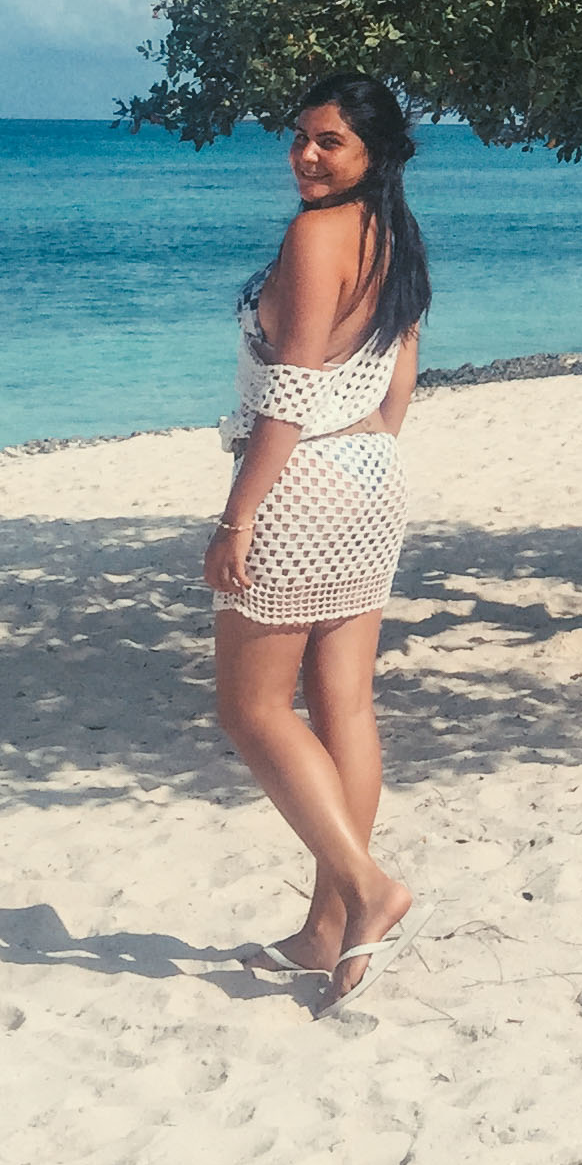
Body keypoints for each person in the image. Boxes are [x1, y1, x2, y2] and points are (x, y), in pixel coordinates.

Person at [205, 72, 432, 1013]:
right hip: (372, 475)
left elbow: (291, 390)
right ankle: (327, 929)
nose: (305, 154)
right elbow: (397, 384)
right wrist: (367, 446)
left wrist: (239, 517)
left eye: (328, 141)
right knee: (345, 704)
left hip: (300, 485)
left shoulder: (315, 234)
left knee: (252, 710)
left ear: (369, 151)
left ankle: (368, 888)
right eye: (300, 137)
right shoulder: (395, 234)